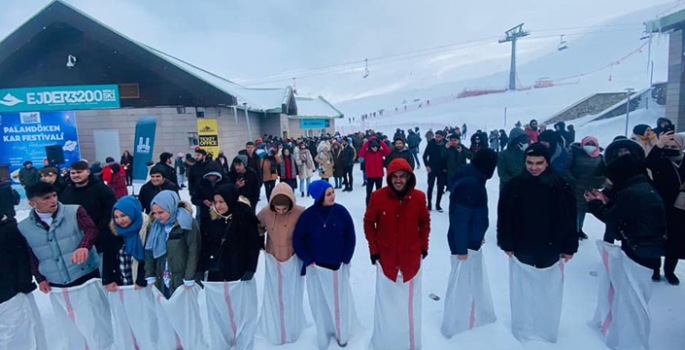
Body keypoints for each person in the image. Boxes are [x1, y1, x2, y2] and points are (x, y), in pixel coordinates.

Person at [364, 158, 430, 349]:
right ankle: (387, 342)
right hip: (386, 260)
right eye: (395, 176)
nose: (399, 180)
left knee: (409, 306)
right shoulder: (378, 197)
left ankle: (409, 342)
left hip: (411, 259)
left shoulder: (418, 197)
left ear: (409, 178)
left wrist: (423, 246)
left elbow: (424, 222)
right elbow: (369, 223)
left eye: (403, 176)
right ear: (389, 177)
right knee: (387, 305)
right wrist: (374, 250)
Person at [293, 180, 356, 349]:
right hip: (317, 269)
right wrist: (307, 259)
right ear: (320, 197)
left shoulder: (341, 212)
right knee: (320, 304)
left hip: (338, 267)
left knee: (338, 303)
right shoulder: (308, 215)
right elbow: (298, 238)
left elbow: (350, 235)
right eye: (328, 194)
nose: (333, 196)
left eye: (333, 192)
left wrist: (346, 257)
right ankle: (324, 334)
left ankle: (341, 334)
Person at [497, 143, 578, 267]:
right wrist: (506, 242)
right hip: (522, 246)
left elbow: (570, 217)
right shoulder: (514, 185)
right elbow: (505, 216)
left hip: (551, 247)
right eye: (530, 163)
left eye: (539, 163)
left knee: (548, 284)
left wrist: (570, 246)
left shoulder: (561, 186)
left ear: (547, 162)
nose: (534, 167)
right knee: (523, 284)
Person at [586, 155, 667, 274]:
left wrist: (594, 203)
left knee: (634, 284)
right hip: (649, 244)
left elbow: (611, 217)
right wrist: (607, 202)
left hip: (639, 246)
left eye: (610, 177)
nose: (608, 181)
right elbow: (624, 212)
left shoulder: (630, 193)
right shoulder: (642, 186)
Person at [19, 182, 100, 290]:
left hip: (85, 273)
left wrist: (84, 246)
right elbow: (31, 254)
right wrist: (40, 279)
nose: (53, 200)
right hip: (55, 281)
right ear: (33, 204)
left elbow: (91, 229)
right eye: (46, 198)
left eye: (54, 195)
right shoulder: (24, 227)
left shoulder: (74, 211)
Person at [645, 131, 685, 285]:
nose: (670, 148)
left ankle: (669, 271)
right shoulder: (660, 160)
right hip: (660, 205)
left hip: (681, 209)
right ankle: (654, 269)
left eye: (673, 146)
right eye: (667, 145)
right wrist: (659, 146)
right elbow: (649, 163)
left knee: (676, 241)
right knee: (657, 239)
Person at [144, 190, 200, 298]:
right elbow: (149, 251)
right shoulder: (155, 226)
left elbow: (193, 250)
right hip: (162, 277)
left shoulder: (186, 223)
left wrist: (189, 277)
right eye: (154, 213)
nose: (157, 216)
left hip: (181, 279)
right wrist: (150, 275)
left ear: (171, 208)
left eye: (161, 212)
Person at [60, 160, 118, 257]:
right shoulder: (67, 192)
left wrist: (99, 231)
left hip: (100, 238)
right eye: (73, 173)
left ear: (88, 172)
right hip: (75, 239)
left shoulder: (102, 189)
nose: (75, 175)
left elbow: (110, 212)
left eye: (79, 172)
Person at [448, 149, 498, 257]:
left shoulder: (475, 177)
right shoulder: (470, 184)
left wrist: (479, 234)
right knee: (464, 273)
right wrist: (461, 249)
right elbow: (460, 219)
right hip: (466, 246)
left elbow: (476, 214)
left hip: (471, 241)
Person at [205, 184, 261, 282]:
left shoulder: (244, 216)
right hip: (217, 271)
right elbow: (206, 244)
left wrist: (250, 268)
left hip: (239, 270)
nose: (218, 206)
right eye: (215, 202)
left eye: (221, 202)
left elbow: (253, 245)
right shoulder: (213, 218)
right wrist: (201, 269)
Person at [564, 136, 606, 240]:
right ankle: (573, 230)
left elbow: (603, 173)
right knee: (574, 210)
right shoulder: (575, 154)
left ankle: (579, 229)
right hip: (575, 187)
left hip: (589, 189)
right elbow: (567, 169)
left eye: (592, 144)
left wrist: (599, 183)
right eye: (588, 143)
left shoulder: (600, 158)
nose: (590, 146)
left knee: (582, 210)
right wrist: (572, 180)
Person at [104, 196, 148, 291]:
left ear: (132, 212)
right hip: (121, 284)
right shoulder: (114, 231)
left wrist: (141, 280)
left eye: (123, 215)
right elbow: (108, 257)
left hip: (141, 285)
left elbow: (149, 258)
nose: (120, 220)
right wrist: (108, 280)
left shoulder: (145, 229)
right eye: (116, 217)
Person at [359, 136, 391, 205]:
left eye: (376, 147)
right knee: (369, 193)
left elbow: (388, 151)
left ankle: (379, 205)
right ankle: (368, 206)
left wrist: (380, 142)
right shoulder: (367, 153)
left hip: (379, 176)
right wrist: (367, 143)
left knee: (379, 192)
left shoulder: (380, 152)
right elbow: (360, 153)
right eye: (373, 147)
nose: (375, 148)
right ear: (370, 146)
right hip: (370, 176)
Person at [423, 130, 447, 212]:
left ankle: (438, 205)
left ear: (443, 137)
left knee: (440, 188)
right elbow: (425, 155)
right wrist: (427, 165)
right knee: (430, 187)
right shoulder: (431, 143)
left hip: (442, 170)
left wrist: (446, 167)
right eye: (436, 136)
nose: (436, 138)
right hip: (432, 168)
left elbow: (448, 157)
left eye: (438, 137)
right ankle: (429, 204)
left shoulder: (446, 144)